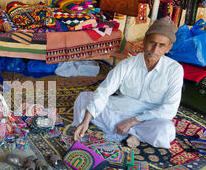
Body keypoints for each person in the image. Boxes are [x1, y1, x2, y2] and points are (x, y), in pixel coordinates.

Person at [72, 16, 183, 149]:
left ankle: (126, 132)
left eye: (161, 45)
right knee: (84, 98)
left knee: (166, 130)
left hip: (148, 119)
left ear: (168, 48)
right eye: (152, 43)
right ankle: (133, 135)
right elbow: (104, 90)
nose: (154, 50)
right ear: (144, 41)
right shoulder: (128, 64)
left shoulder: (174, 70)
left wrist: (132, 121)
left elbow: (170, 109)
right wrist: (85, 121)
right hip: (120, 110)